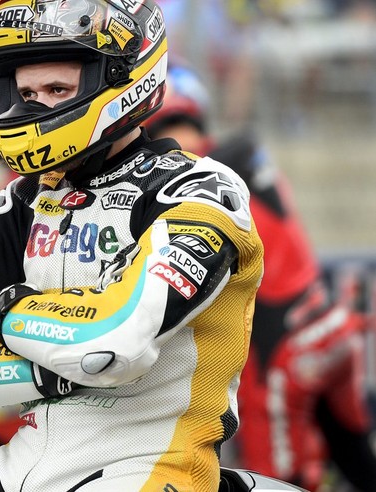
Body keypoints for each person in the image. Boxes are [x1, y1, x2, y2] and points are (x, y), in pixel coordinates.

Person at [0, 0, 265, 490]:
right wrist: (54, 366)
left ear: (123, 77)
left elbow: (114, 344)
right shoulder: (21, 198)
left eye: (57, 89)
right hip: (22, 465)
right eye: (25, 91)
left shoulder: (199, 188)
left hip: (148, 463)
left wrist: (8, 313)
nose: (34, 106)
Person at [143, 61, 376, 491]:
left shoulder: (186, 178)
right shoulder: (243, 156)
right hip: (332, 325)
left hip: (282, 351)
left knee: (276, 482)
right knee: (358, 465)